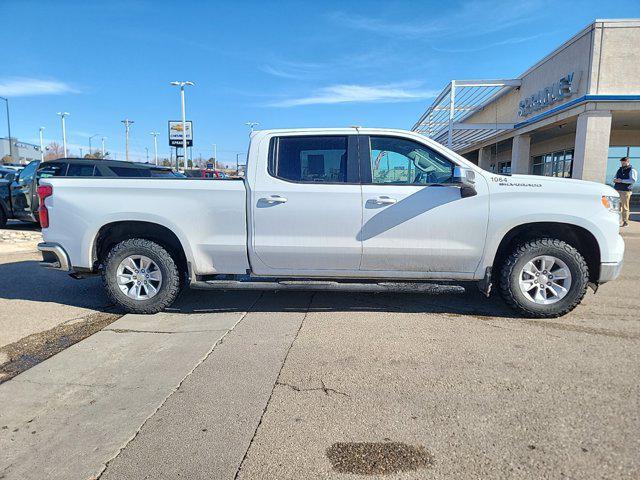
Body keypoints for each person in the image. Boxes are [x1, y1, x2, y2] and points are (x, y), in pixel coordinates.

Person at [613, 156, 637, 227]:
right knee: (617, 207)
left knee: (625, 207)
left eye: (624, 163)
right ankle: (616, 221)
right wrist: (615, 180)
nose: (622, 164)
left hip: (625, 191)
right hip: (617, 190)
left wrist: (621, 181)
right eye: (621, 163)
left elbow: (633, 180)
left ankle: (625, 222)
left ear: (628, 162)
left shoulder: (632, 170)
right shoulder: (619, 169)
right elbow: (615, 177)